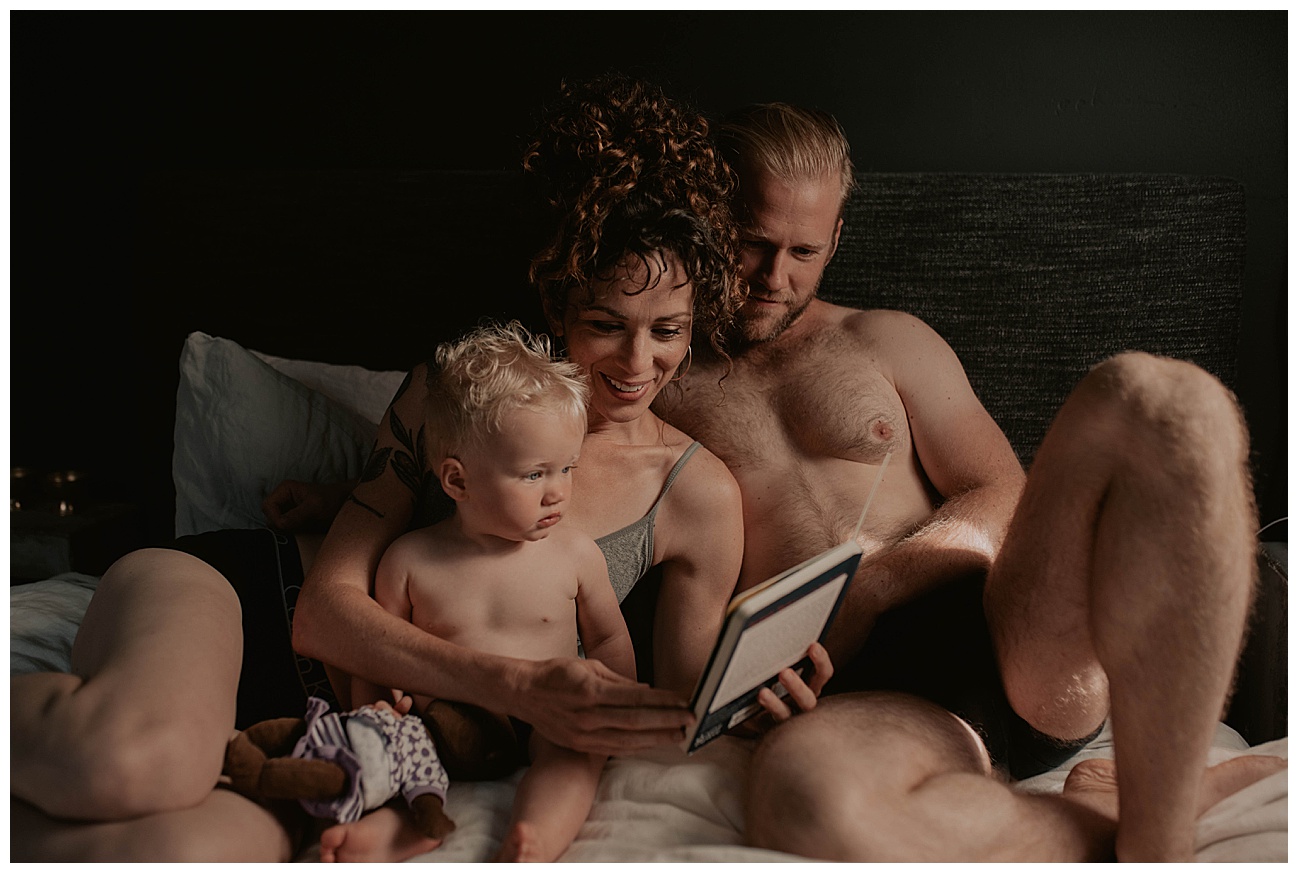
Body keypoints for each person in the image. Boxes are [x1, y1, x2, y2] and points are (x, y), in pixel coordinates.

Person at [9, 74, 756, 862]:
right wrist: (514, 685)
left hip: (354, 749)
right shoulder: (455, 392)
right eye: (605, 323)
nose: (638, 362)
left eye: (668, 329)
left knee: (166, 852)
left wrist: (763, 691)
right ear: (556, 303)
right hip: (249, 600)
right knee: (135, 761)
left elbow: (679, 704)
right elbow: (323, 614)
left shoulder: (697, 493)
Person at [655, 101, 1282, 862]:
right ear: (706, 218)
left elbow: (1001, 491)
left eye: (804, 251)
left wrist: (873, 585)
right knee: (811, 808)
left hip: (1013, 628)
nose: (774, 277)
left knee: (1170, 403)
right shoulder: (650, 382)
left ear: (838, 239)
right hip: (868, 694)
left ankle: (1159, 833)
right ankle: (1116, 809)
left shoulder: (886, 339)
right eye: (752, 242)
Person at [317, 321, 634, 862]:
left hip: (544, 717)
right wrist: (377, 714)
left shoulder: (576, 554)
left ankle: (536, 833)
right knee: (401, 757)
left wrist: (617, 701)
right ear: (457, 481)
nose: (558, 491)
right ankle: (403, 830)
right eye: (533, 475)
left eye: (566, 468)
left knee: (575, 752)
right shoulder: (410, 561)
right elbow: (375, 655)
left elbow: (607, 640)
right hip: (444, 722)